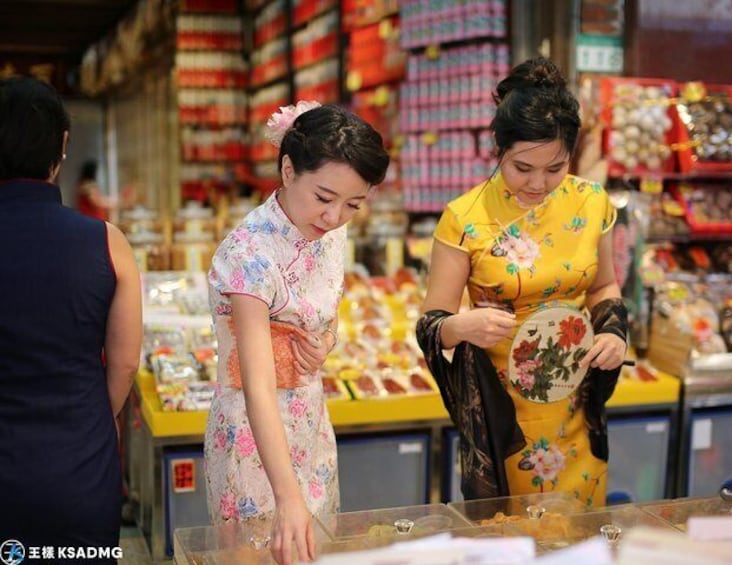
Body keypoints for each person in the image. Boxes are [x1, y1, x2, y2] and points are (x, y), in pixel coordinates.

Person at [417, 58, 628, 507]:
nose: (538, 183)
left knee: (577, 535)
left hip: (577, 403)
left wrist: (613, 332)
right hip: (502, 413)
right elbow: (432, 323)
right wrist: (465, 326)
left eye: (555, 168)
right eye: (522, 167)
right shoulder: (466, 218)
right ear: (498, 150)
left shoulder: (591, 202)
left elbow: (604, 287)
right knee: (510, 535)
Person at [204, 101, 389, 565]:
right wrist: (287, 497)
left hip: (310, 420)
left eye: (354, 204)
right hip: (254, 433)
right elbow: (257, 385)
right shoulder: (249, 252)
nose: (335, 217)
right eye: (324, 198)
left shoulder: (332, 234)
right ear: (287, 170)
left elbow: (327, 319)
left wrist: (323, 344)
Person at [0, 77, 142, 561]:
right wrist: (91, 417)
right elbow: (124, 363)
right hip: (79, 463)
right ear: (61, 147)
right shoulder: (108, 242)